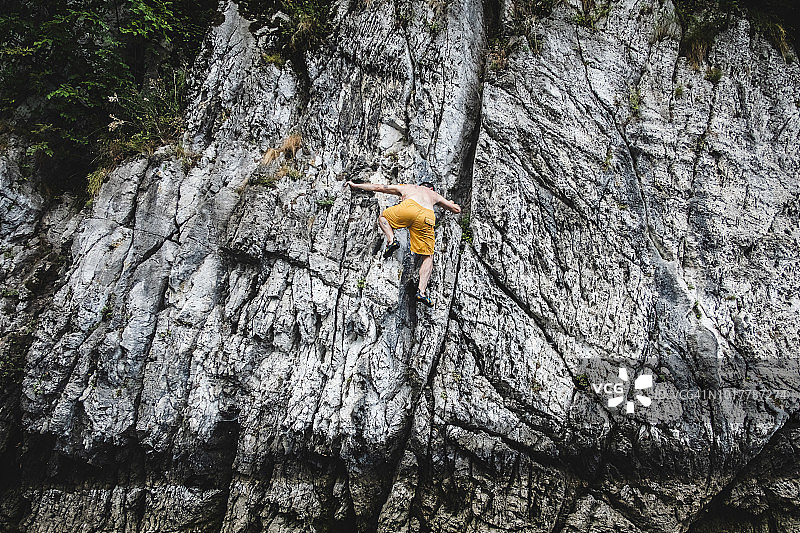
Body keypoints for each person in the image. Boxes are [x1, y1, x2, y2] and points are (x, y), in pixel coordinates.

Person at [346, 180, 461, 307]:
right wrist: (450, 204)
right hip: (426, 217)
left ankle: (391, 241)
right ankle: (421, 292)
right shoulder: (434, 195)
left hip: (409, 208)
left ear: (420, 186)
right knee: (428, 256)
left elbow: (378, 186)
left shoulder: (409, 187)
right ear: (431, 189)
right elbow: (456, 210)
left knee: (383, 218)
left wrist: (356, 185)